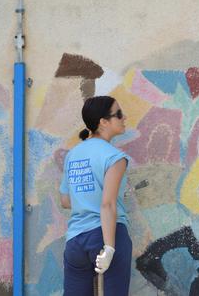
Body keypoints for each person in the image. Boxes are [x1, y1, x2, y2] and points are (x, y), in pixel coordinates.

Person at [59, 96, 132, 296]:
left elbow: (65, 201)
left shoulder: (72, 155)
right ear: (103, 122)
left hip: (75, 241)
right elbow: (107, 205)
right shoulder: (115, 157)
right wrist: (109, 248)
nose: (124, 117)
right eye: (118, 114)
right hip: (107, 234)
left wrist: (87, 195)